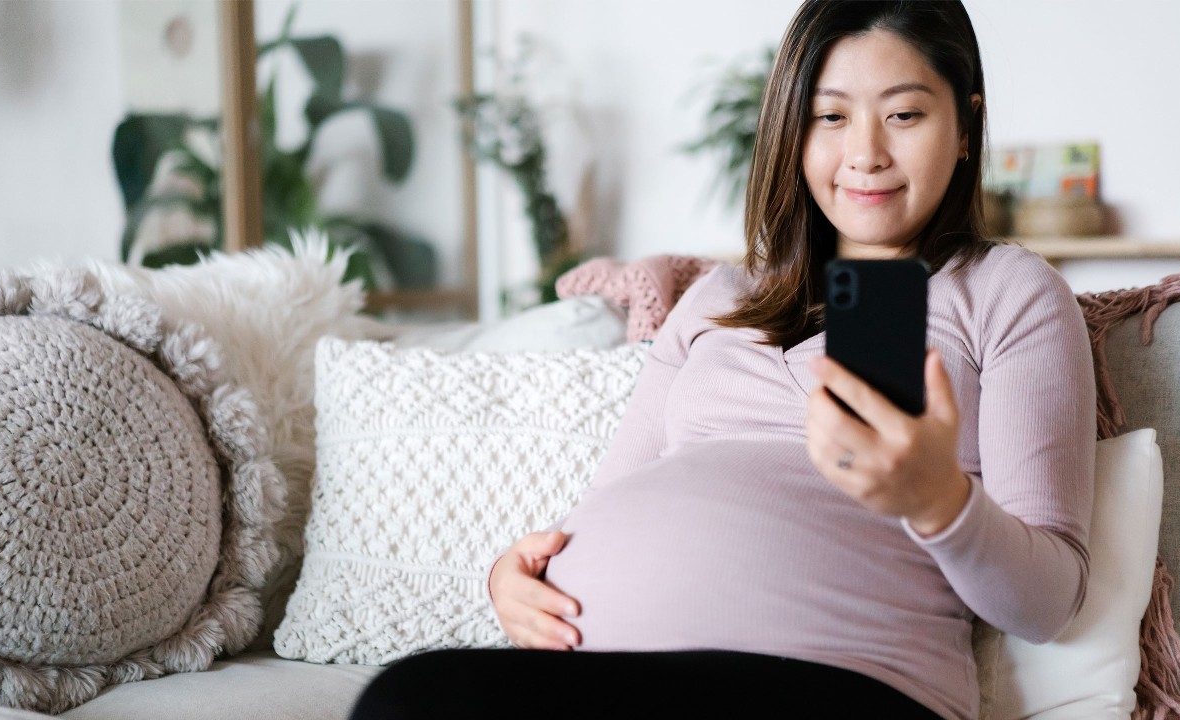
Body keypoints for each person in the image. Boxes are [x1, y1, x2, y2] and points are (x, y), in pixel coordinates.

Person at [351, 1, 1095, 718]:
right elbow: (602, 505)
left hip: (841, 681)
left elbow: (1047, 603)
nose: (865, 153)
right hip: (611, 671)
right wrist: (512, 578)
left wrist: (940, 501)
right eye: (830, 117)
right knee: (408, 698)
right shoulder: (717, 297)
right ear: (792, 133)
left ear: (965, 126)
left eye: (904, 114)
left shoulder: (1006, 291)